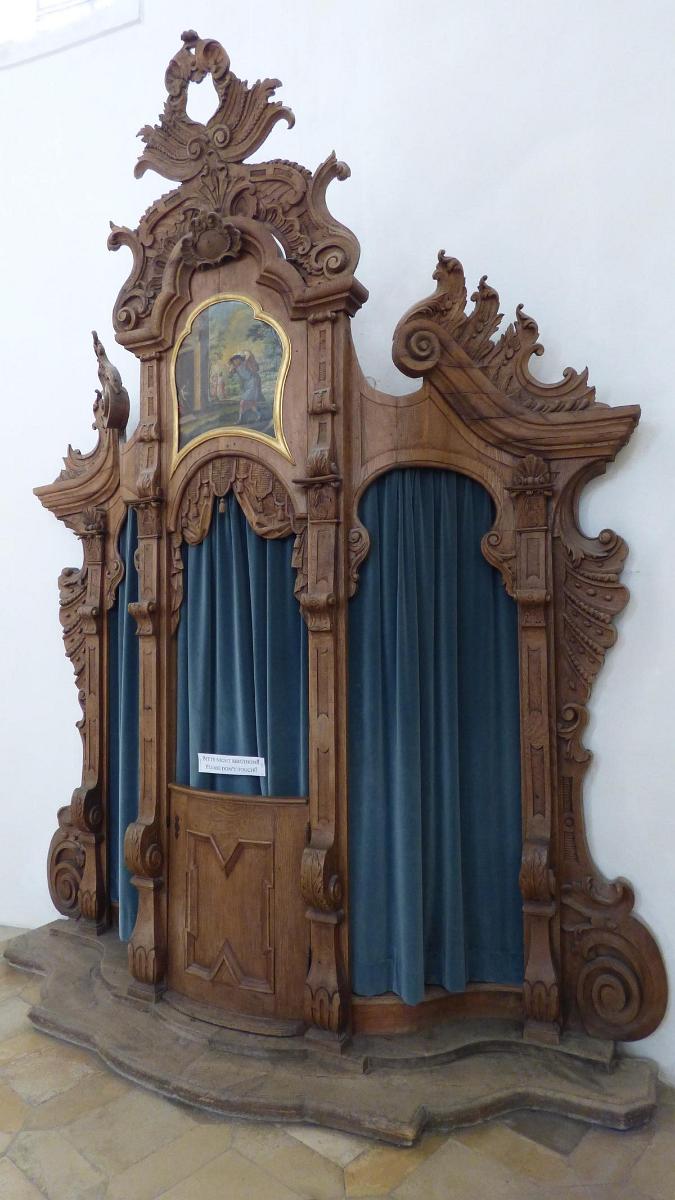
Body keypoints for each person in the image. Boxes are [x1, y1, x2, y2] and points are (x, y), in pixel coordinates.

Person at [228, 352, 265, 425]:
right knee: (251, 403)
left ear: (240, 359)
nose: (235, 361)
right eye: (234, 360)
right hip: (247, 385)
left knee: (242, 402)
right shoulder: (236, 368)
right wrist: (230, 369)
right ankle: (259, 415)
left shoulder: (245, 364)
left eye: (237, 359)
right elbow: (230, 375)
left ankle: (241, 420)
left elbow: (256, 369)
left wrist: (249, 362)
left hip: (253, 383)